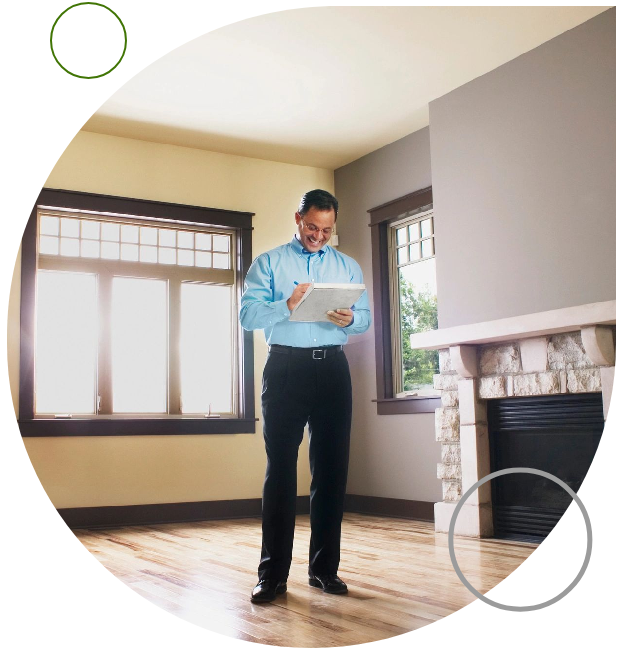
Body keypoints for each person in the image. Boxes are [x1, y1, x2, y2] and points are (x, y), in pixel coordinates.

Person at [239, 189, 371, 603]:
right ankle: (272, 576)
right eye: (312, 227)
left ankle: (323, 571)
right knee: (280, 472)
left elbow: (364, 320)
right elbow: (247, 315)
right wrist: (286, 303)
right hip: (285, 369)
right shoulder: (270, 263)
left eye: (327, 230)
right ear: (298, 219)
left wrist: (351, 318)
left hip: (332, 368)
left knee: (332, 473)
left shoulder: (347, 266)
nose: (319, 236)